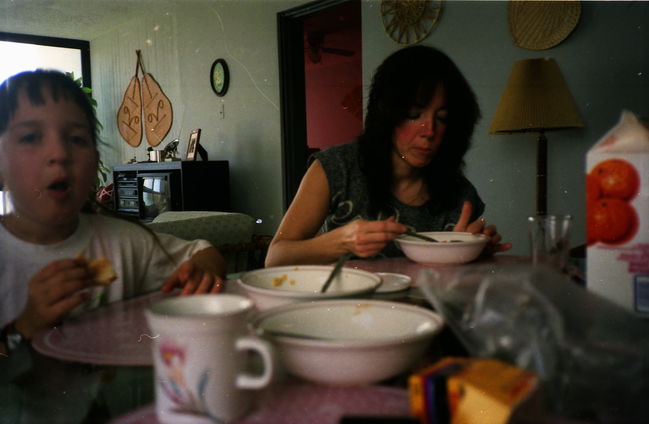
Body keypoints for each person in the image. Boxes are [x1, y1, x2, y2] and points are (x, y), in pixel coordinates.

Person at [0, 69, 227, 355]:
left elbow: (203, 253)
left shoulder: (124, 242)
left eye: (77, 139)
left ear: (95, 163)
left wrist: (203, 272)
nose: (59, 153)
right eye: (31, 137)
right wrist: (25, 325)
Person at [265, 45, 512, 267]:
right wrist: (341, 242)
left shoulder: (460, 193)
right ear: (387, 115)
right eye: (414, 115)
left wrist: (469, 254)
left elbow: (455, 287)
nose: (430, 132)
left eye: (442, 118)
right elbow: (275, 258)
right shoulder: (336, 167)